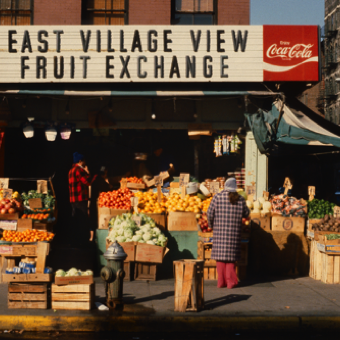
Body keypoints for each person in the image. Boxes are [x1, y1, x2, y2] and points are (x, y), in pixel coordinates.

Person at [207, 177, 250, 289]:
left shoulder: (217, 197)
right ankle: (231, 282)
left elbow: (209, 213)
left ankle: (221, 282)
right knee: (231, 258)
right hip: (234, 233)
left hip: (219, 232)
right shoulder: (240, 199)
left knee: (220, 258)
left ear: (225, 186)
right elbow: (246, 213)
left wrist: (211, 226)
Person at [68, 152, 97, 243]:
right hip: (80, 199)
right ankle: (81, 241)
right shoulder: (79, 170)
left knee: (76, 220)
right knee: (82, 220)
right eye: (84, 160)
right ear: (80, 161)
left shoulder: (71, 170)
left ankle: (75, 240)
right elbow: (87, 182)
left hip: (73, 200)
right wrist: (90, 174)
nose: (85, 162)